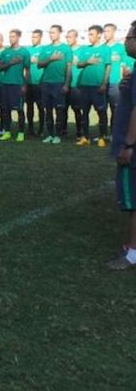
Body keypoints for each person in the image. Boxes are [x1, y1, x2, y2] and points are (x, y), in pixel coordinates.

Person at [106, 20, 136, 269]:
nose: (126, 42)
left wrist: (128, 144)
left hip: (132, 146)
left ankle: (132, 254)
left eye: (129, 37)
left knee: (133, 200)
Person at [76, 25, 110, 148]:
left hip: (97, 87)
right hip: (84, 86)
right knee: (84, 112)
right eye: (89, 34)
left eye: (92, 34)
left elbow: (108, 67)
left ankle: (102, 137)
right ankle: (85, 137)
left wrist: (104, 83)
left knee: (101, 112)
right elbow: (79, 64)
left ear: (99, 35)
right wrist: (87, 62)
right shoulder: (85, 49)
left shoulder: (105, 49)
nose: (89, 36)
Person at [37, 25, 72, 145]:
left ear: (59, 33)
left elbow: (68, 68)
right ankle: (50, 134)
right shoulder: (45, 48)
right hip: (46, 83)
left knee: (59, 110)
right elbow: (39, 64)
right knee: (48, 110)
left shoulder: (66, 49)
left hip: (59, 83)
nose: (51, 35)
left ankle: (58, 135)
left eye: (53, 32)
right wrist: (51, 59)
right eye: (50, 32)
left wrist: (66, 84)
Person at [0, 29, 30, 142]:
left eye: (13, 36)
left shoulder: (24, 52)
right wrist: (11, 63)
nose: (11, 38)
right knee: (5, 110)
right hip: (6, 84)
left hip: (18, 84)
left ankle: (21, 133)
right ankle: (7, 132)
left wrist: (24, 85)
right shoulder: (5, 52)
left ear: (18, 37)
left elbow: (27, 70)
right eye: (10, 36)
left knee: (19, 110)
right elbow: (0, 68)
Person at [104, 23, 133, 136]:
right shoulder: (102, 48)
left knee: (115, 110)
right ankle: (103, 134)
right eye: (105, 31)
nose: (106, 34)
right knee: (102, 110)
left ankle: (114, 133)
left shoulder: (120, 48)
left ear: (113, 32)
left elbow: (126, 64)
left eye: (108, 31)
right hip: (102, 83)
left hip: (115, 83)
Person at [64, 29, 84, 138]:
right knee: (63, 108)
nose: (68, 39)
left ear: (76, 37)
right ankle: (63, 130)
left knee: (76, 109)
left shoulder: (81, 50)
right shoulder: (65, 50)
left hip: (76, 84)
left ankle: (79, 131)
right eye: (67, 37)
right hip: (64, 84)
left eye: (70, 37)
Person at [26, 29, 45, 136]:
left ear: (40, 37)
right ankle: (30, 128)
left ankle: (41, 128)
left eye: (36, 37)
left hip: (40, 83)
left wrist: (38, 61)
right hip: (29, 82)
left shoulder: (44, 50)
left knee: (41, 106)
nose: (33, 39)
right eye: (32, 37)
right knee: (29, 106)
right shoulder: (28, 50)